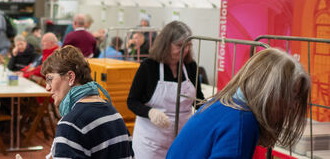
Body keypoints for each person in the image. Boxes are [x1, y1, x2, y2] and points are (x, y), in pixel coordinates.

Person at [166, 48, 310, 159]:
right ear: (268, 92)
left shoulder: (223, 105)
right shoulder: (243, 122)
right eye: (291, 95)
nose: (293, 105)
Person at [126, 21, 204, 159]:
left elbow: (197, 100)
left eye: (188, 46)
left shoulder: (190, 67)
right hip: (151, 142)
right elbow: (132, 101)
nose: (185, 50)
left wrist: (214, 107)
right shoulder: (149, 67)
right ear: (166, 44)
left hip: (182, 137)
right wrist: (150, 112)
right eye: (180, 46)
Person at [41, 46, 134, 158]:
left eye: (50, 79)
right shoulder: (113, 113)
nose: (47, 87)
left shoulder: (71, 124)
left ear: (70, 77)